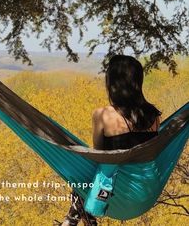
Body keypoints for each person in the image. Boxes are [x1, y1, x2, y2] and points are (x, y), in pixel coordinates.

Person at [57, 55, 161, 226]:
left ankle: (74, 219)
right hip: (146, 191)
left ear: (113, 84)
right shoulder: (154, 116)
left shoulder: (103, 115)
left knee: (81, 173)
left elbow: (99, 155)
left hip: (110, 193)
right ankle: (75, 219)